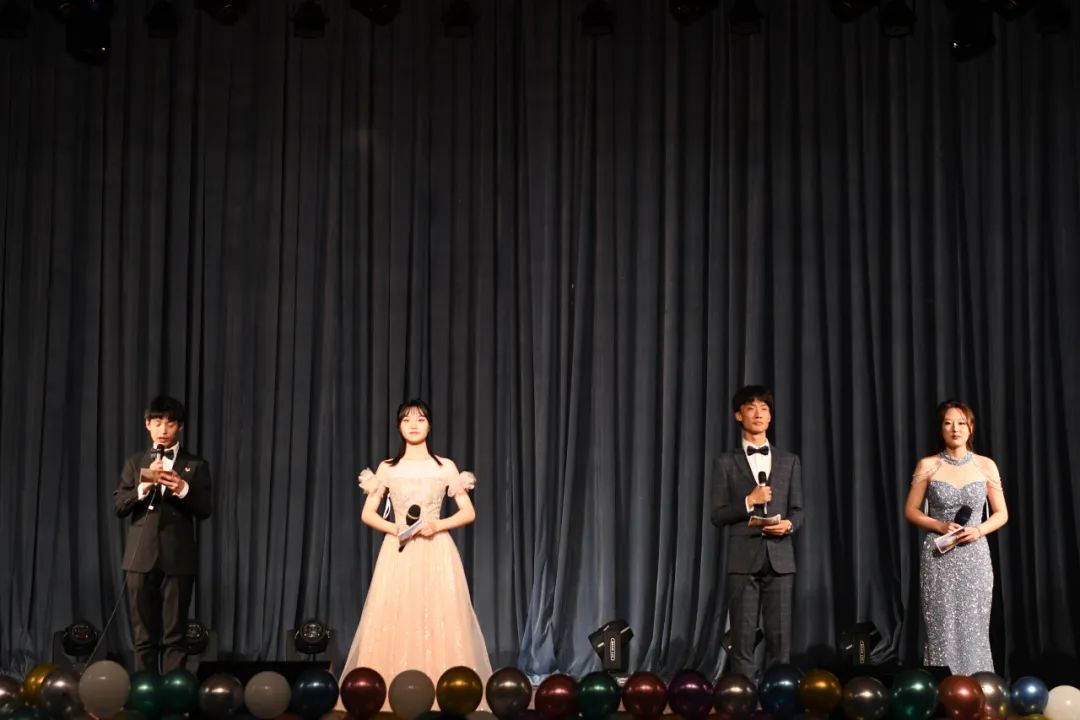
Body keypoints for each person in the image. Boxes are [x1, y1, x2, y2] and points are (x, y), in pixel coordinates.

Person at [339, 399, 492, 705]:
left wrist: (437, 525)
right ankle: (389, 691)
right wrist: (395, 528)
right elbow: (368, 514)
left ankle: (445, 690)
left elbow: (468, 512)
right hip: (399, 552)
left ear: (429, 425)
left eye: (420, 419)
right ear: (399, 426)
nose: (413, 425)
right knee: (396, 614)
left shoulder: (444, 466)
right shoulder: (387, 468)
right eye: (407, 419)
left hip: (437, 551)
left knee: (439, 615)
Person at [904, 400, 1008, 675]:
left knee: (975, 626)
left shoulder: (985, 465)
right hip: (939, 556)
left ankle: (978, 687)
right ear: (941, 428)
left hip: (975, 555)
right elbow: (911, 510)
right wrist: (939, 525)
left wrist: (979, 530)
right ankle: (943, 690)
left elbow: (1002, 513)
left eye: (962, 423)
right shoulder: (928, 465)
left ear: (971, 428)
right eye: (948, 423)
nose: (955, 429)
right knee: (941, 627)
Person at [710, 385, 803, 682]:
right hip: (743, 558)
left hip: (780, 557)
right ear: (739, 415)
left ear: (771, 416)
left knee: (780, 638)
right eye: (751, 408)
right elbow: (717, 515)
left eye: (764, 408)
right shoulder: (725, 462)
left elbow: (798, 510)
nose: (758, 413)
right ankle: (745, 695)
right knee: (742, 636)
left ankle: (778, 693)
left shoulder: (789, 460)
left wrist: (789, 525)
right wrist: (749, 501)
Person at [113, 396, 213, 673]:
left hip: (178, 557)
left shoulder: (196, 464)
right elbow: (119, 506)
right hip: (139, 557)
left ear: (179, 426)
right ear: (147, 424)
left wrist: (182, 489)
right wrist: (143, 487)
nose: (163, 429)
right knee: (143, 636)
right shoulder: (135, 462)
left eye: (169, 423)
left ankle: (172, 691)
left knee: (174, 636)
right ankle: (143, 690)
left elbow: (205, 509)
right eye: (157, 422)